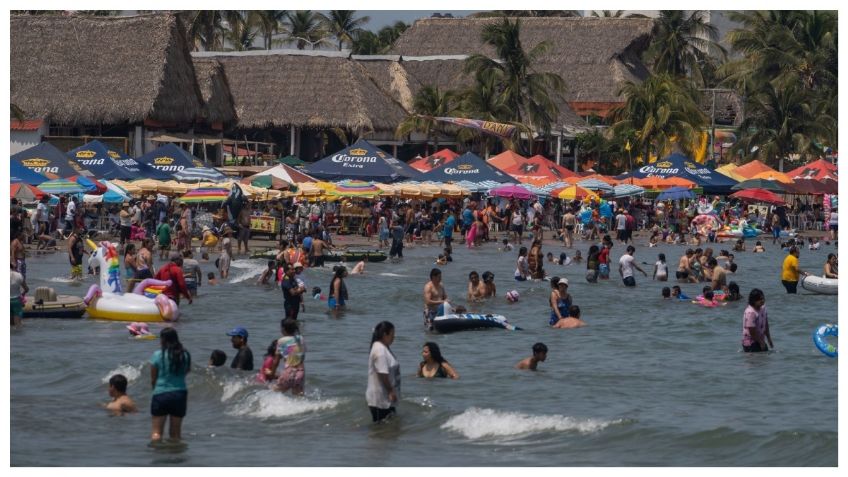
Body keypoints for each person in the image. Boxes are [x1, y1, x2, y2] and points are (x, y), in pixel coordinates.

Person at [149, 327, 190, 442]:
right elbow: (186, 372)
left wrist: (155, 391)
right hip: (179, 393)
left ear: (163, 339)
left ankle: (157, 456)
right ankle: (176, 456)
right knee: (176, 433)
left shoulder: (157, 355)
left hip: (161, 394)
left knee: (156, 432)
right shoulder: (184, 355)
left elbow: (153, 379)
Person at [367, 321, 400, 422]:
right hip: (380, 399)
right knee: (381, 429)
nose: (394, 337)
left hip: (385, 398)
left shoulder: (383, 348)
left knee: (388, 429)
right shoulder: (380, 350)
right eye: (392, 334)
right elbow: (382, 373)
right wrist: (390, 391)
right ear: (385, 334)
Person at [269, 319, 306, 395]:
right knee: (298, 399)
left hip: (289, 372)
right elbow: (301, 355)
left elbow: (276, 361)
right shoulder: (301, 339)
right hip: (300, 373)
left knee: (271, 392)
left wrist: (272, 374)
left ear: (283, 329)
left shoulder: (281, 341)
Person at [742, 288, 773, 353]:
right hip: (750, 343)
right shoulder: (751, 312)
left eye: (763, 298)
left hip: (760, 340)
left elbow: (766, 323)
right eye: (760, 299)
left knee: (763, 360)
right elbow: (751, 331)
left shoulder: (763, 308)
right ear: (753, 301)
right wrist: (761, 342)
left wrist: (769, 338)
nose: (762, 301)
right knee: (755, 361)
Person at [10, 262, 28, 327]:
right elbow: (26, 289)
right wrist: (22, 294)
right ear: (12, 266)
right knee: (18, 325)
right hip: (16, 301)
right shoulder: (19, 275)